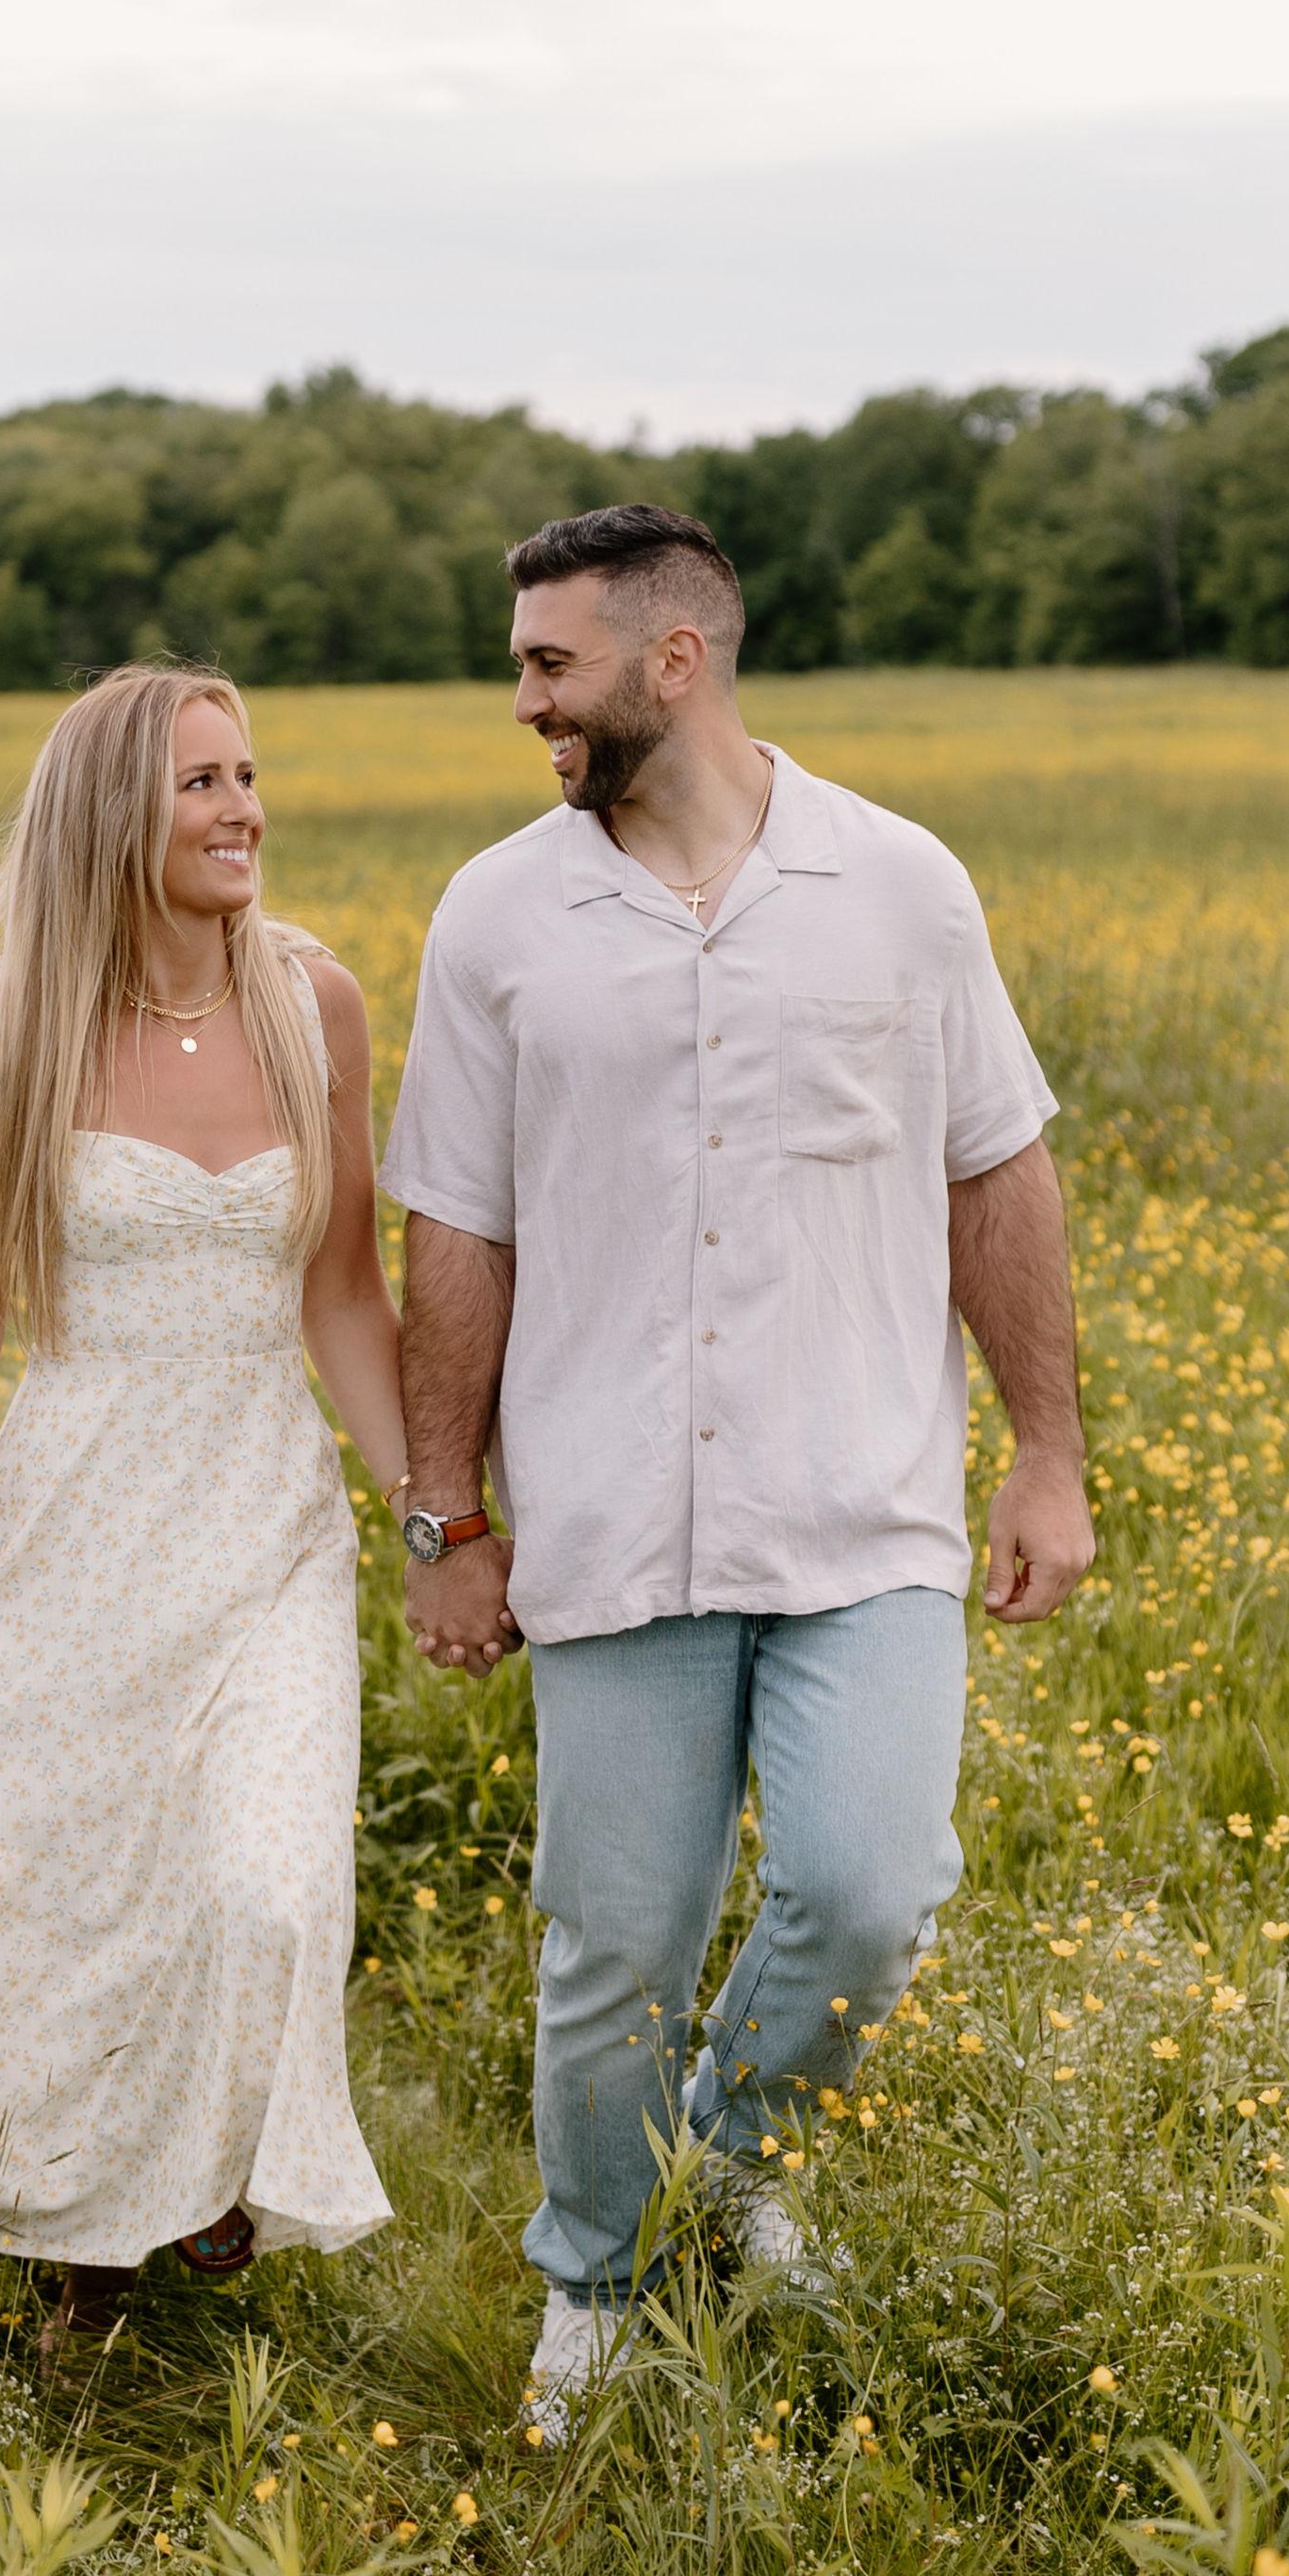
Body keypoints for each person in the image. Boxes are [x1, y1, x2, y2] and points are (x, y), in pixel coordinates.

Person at [382, 503, 1094, 2445]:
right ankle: (596, 2282)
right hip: (613, 1514)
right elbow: (455, 1229)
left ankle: (727, 2165)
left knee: (869, 1891)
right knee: (614, 1946)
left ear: (674, 659)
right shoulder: (498, 916)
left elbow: (994, 1169)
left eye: (550, 663)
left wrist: (1047, 1452)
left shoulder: (900, 885)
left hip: (865, 1509)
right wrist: (446, 1514)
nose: (523, 699)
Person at [0, 665, 407, 2339]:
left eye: (248, 774)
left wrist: (432, 1517)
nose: (243, 810)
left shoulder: (315, 1003)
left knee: (261, 1888)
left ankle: (208, 2177)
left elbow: (345, 1295)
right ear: (108, 815)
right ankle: (80, 2249)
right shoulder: (6, 1020)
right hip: (70, 1517)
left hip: (265, 1522)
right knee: (66, 1888)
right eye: (199, 783)